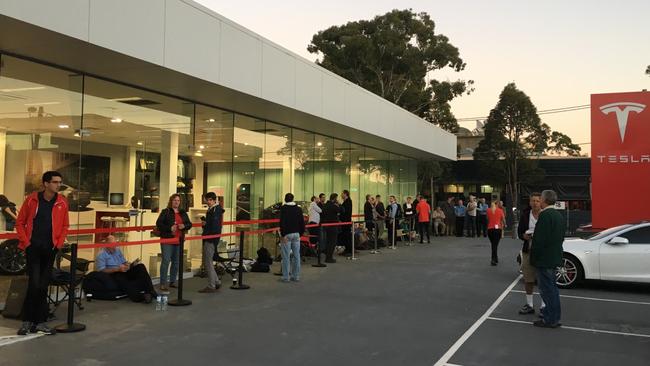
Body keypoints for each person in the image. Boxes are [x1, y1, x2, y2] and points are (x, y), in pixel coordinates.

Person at [16, 171, 68, 335]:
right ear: (46, 184)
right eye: (55, 182)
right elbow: (20, 222)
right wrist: (27, 243)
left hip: (50, 249)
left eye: (59, 182)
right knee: (34, 285)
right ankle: (27, 321)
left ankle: (40, 322)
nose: (58, 185)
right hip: (33, 249)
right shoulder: (31, 200)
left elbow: (65, 225)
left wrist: (58, 244)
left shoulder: (62, 202)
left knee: (43, 286)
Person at [530, 190, 565, 328]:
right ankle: (553, 316)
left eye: (541, 199)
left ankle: (550, 318)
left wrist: (534, 257)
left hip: (544, 258)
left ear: (544, 200)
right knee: (553, 289)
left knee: (547, 289)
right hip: (554, 256)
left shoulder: (545, 216)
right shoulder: (558, 215)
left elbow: (539, 239)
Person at [95, 236, 157, 302]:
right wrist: (117, 269)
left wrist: (129, 264)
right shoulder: (101, 254)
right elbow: (101, 270)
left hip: (123, 269)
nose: (115, 246)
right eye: (112, 245)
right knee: (120, 277)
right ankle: (138, 297)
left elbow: (124, 261)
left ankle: (150, 291)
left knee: (141, 266)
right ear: (107, 244)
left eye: (115, 244)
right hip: (113, 272)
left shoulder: (117, 250)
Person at [156, 194, 192, 292]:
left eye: (178, 200)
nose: (176, 202)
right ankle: (163, 283)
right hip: (167, 240)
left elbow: (189, 224)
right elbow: (159, 224)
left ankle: (172, 281)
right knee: (166, 261)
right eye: (175, 200)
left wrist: (183, 225)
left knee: (176, 262)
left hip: (179, 240)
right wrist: (169, 228)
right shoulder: (165, 212)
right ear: (171, 201)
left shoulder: (182, 212)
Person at [517, 192, 544, 315]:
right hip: (528, 250)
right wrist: (524, 236)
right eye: (532, 201)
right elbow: (520, 232)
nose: (535, 203)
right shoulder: (525, 215)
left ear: (541, 202)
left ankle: (544, 305)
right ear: (529, 202)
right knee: (528, 278)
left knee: (543, 279)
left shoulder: (545, 215)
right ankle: (529, 304)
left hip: (542, 252)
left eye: (537, 201)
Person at [198, 192, 224, 293]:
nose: (208, 202)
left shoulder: (215, 210)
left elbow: (215, 226)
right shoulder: (213, 210)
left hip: (211, 238)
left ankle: (212, 285)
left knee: (208, 262)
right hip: (211, 237)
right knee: (208, 261)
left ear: (214, 200)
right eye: (207, 200)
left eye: (209, 200)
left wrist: (207, 229)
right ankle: (216, 282)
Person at [279, 193, 305, 282]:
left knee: (286, 256)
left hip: (287, 234)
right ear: (293, 199)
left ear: (285, 199)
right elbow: (302, 222)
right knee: (296, 255)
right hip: (296, 234)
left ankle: (286, 277)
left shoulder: (283, 208)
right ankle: (296, 276)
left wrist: (283, 235)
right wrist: (300, 233)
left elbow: (282, 222)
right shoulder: (298, 209)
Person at [320, 193, 341, 263]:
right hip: (333, 226)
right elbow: (342, 210)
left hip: (326, 226)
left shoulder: (325, 205)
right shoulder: (333, 206)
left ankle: (328, 256)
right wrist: (339, 204)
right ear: (335, 199)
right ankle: (329, 258)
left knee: (328, 241)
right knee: (332, 242)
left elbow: (322, 214)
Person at [486, 201, 505, 265]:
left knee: (493, 244)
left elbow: (487, 219)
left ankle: (495, 258)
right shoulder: (500, 210)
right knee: (495, 245)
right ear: (497, 205)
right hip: (497, 229)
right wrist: (505, 224)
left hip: (490, 229)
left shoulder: (488, 210)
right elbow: (503, 219)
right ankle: (493, 259)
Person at [339, 190, 353, 255]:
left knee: (347, 236)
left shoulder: (348, 201)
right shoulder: (346, 202)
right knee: (345, 236)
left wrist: (339, 206)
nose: (341, 195)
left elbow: (345, 212)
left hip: (346, 222)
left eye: (342, 194)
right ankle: (347, 249)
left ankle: (349, 250)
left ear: (345, 194)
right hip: (344, 222)